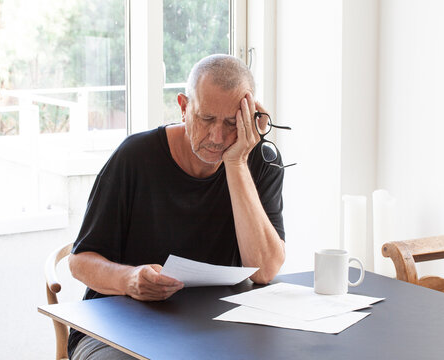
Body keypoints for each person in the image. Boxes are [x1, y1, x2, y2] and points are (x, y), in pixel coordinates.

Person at [67, 54, 286, 359]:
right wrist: (129, 280)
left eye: (232, 124)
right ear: (183, 107)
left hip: (217, 327)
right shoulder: (134, 157)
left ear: (250, 119)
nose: (217, 137)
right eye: (206, 118)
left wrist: (235, 162)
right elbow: (79, 262)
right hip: (118, 328)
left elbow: (265, 271)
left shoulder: (259, 161)